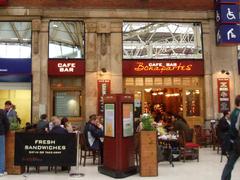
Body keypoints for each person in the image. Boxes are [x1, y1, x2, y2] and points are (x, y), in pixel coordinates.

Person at [221, 95, 240, 180]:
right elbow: (237, 127)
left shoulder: (233, 112)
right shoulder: (238, 113)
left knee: (230, 164)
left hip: (233, 141)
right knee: (230, 164)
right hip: (237, 141)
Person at [0, 109, 9, 176]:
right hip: (1, 133)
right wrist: (5, 131)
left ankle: (3, 170)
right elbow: (7, 123)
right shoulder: (2, 111)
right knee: (2, 152)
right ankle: (1, 171)